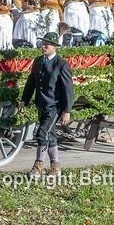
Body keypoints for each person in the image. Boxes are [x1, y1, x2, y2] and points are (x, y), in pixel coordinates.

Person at [20, 31, 73, 178]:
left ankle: (38, 165)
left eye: (47, 44)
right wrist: (24, 100)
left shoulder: (61, 64)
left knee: (42, 133)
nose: (44, 46)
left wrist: (66, 110)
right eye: (43, 44)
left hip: (55, 106)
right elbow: (31, 83)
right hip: (41, 104)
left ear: (54, 47)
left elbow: (68, 89)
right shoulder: (38, 61)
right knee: (50, 135)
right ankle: (56, 166)